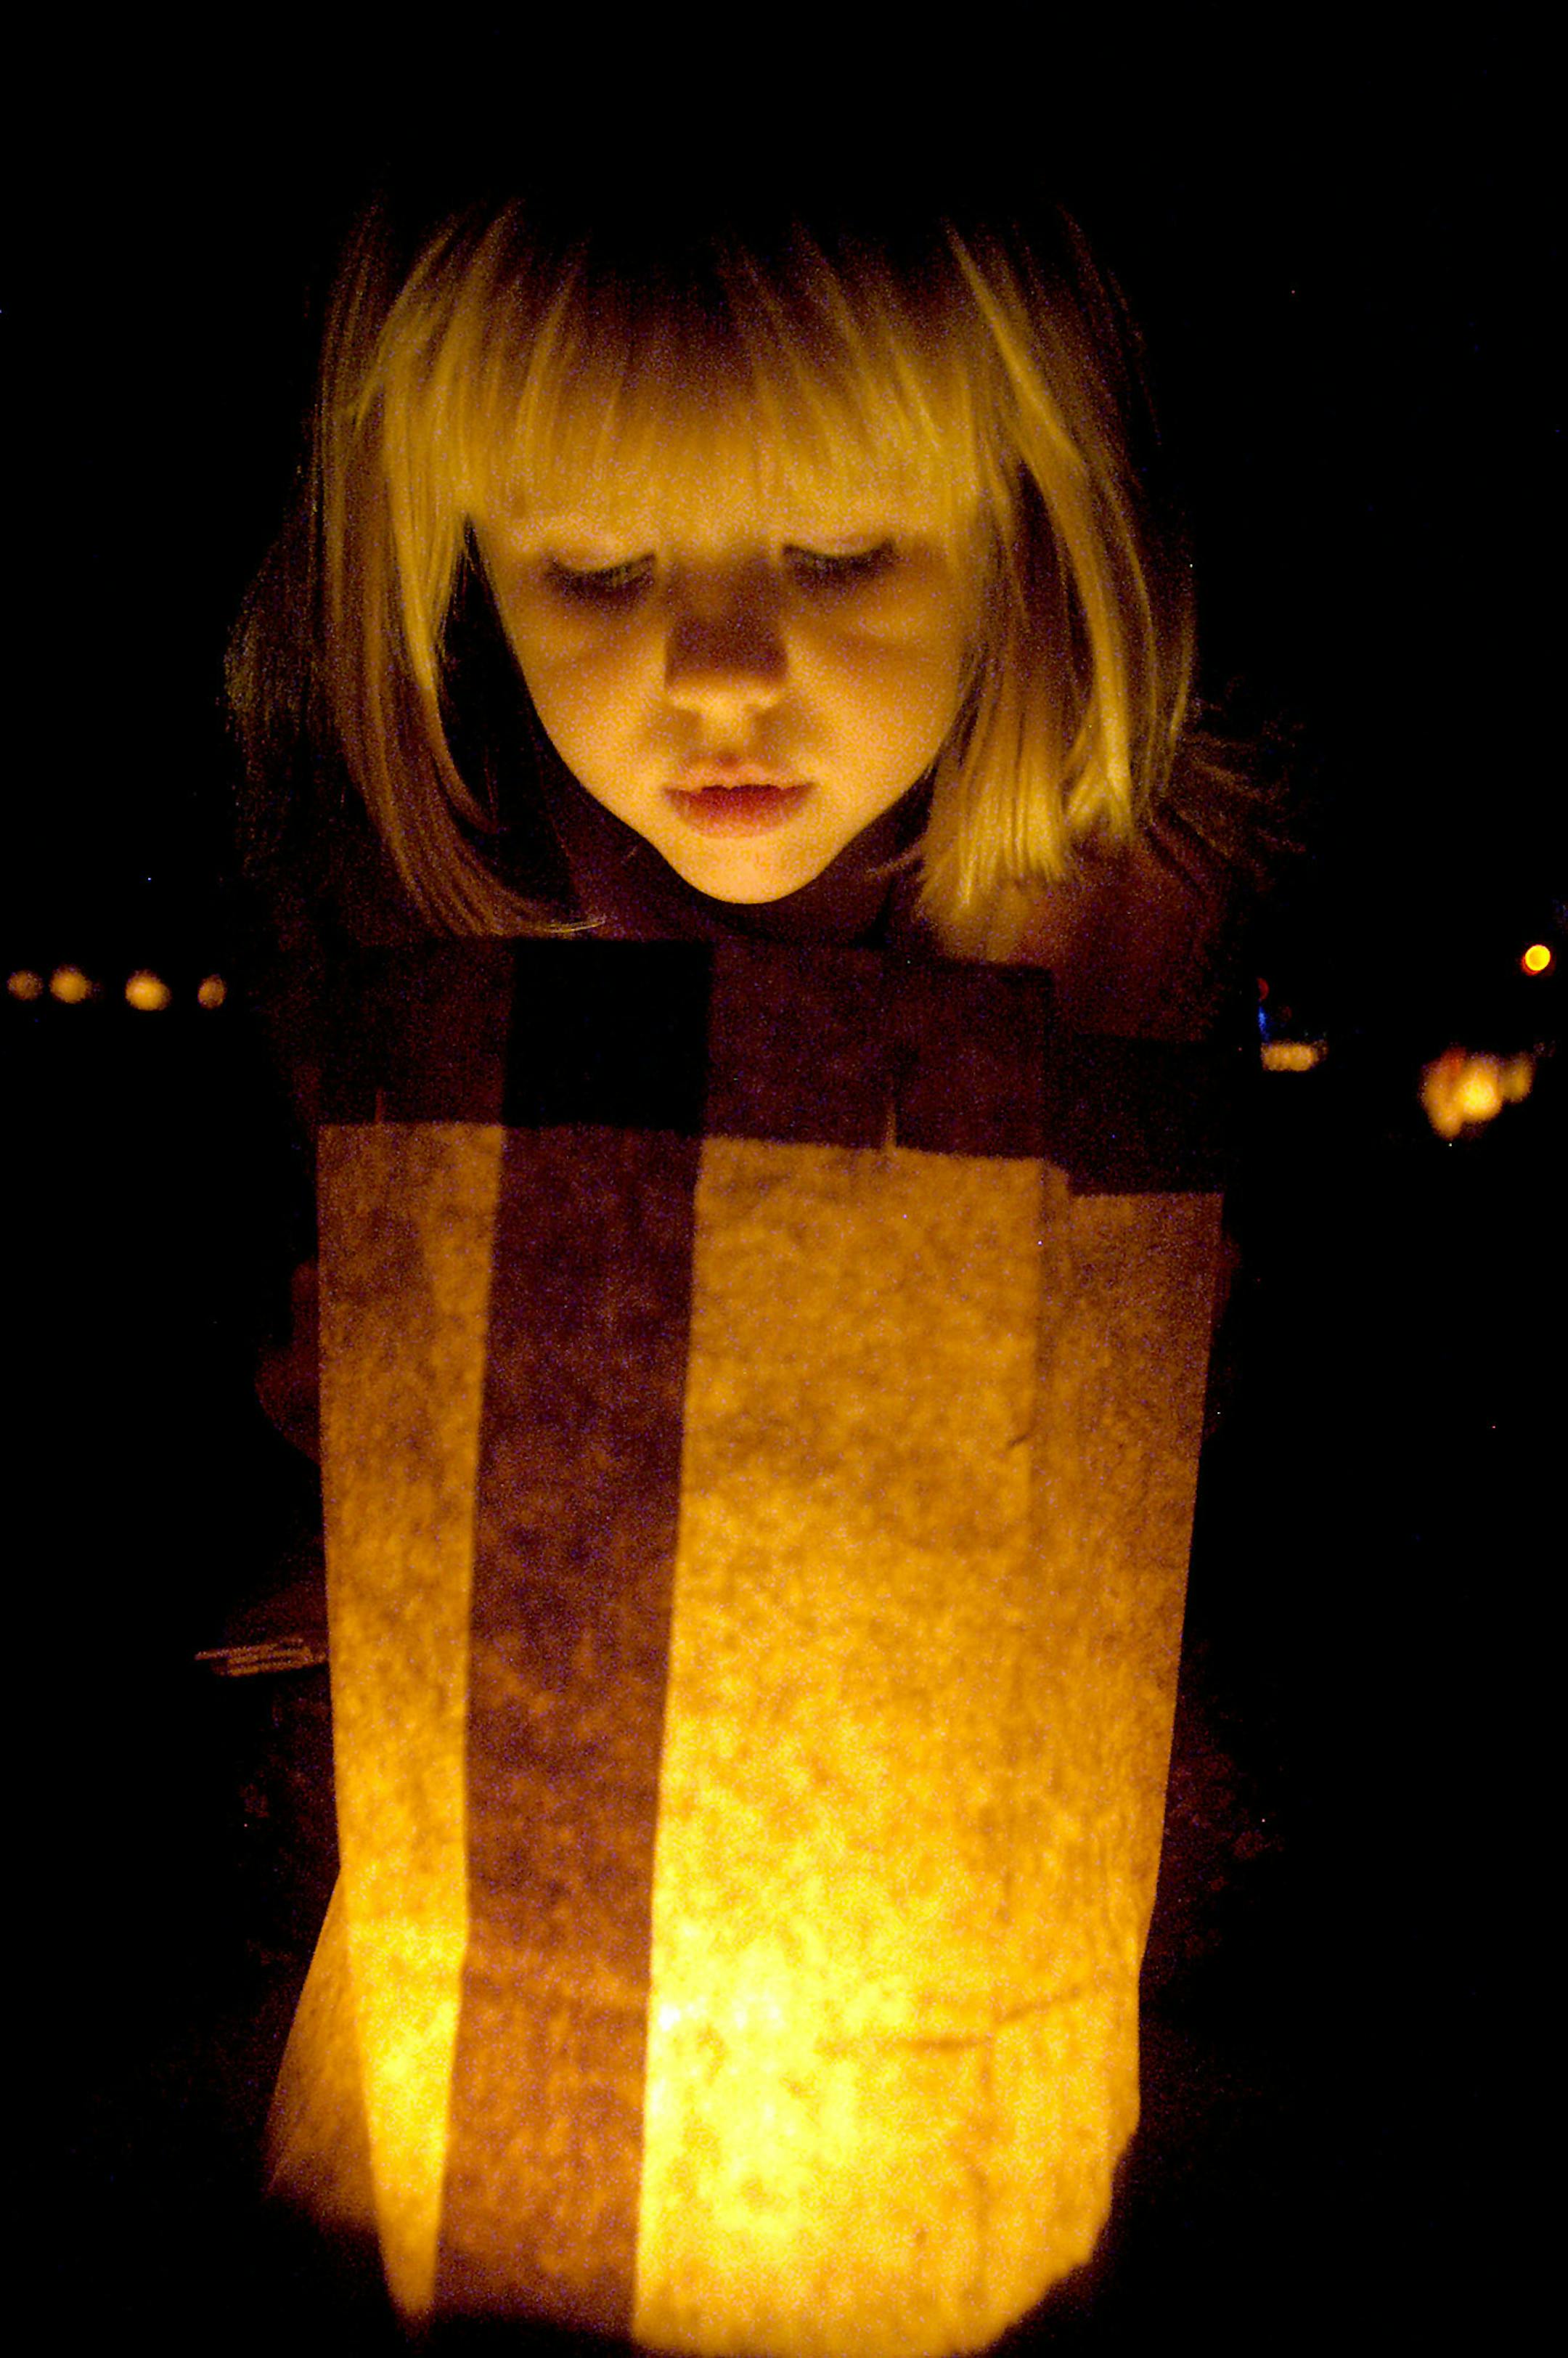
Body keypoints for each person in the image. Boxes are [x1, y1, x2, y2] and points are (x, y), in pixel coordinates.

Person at [229, 163, 1289, 1455]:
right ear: (462, 564)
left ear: (1023, 532)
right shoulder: (413, 936)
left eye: (838, 557)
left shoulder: (1120, 937)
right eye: (600, 571)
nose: (721, 677)